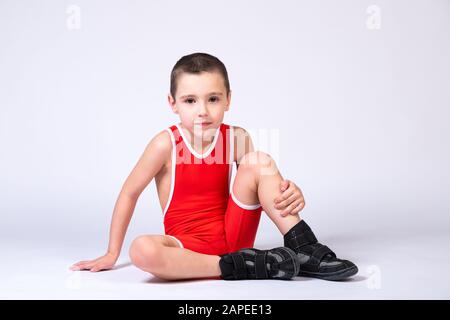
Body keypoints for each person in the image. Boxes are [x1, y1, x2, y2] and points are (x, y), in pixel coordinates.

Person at [70, 53, 358, 281]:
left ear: (228, 99)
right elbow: (129, 193)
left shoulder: (236, 137)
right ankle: (248, 265)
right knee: (142, 250)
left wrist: (288, 190)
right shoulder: (165, 144)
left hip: (234, 235)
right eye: (190, 100)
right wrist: (111, 252)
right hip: (187, 247)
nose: (203, 110)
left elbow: (261, 182)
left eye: (213, 99)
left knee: (260, 161)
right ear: (173, 103)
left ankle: (303, 247)